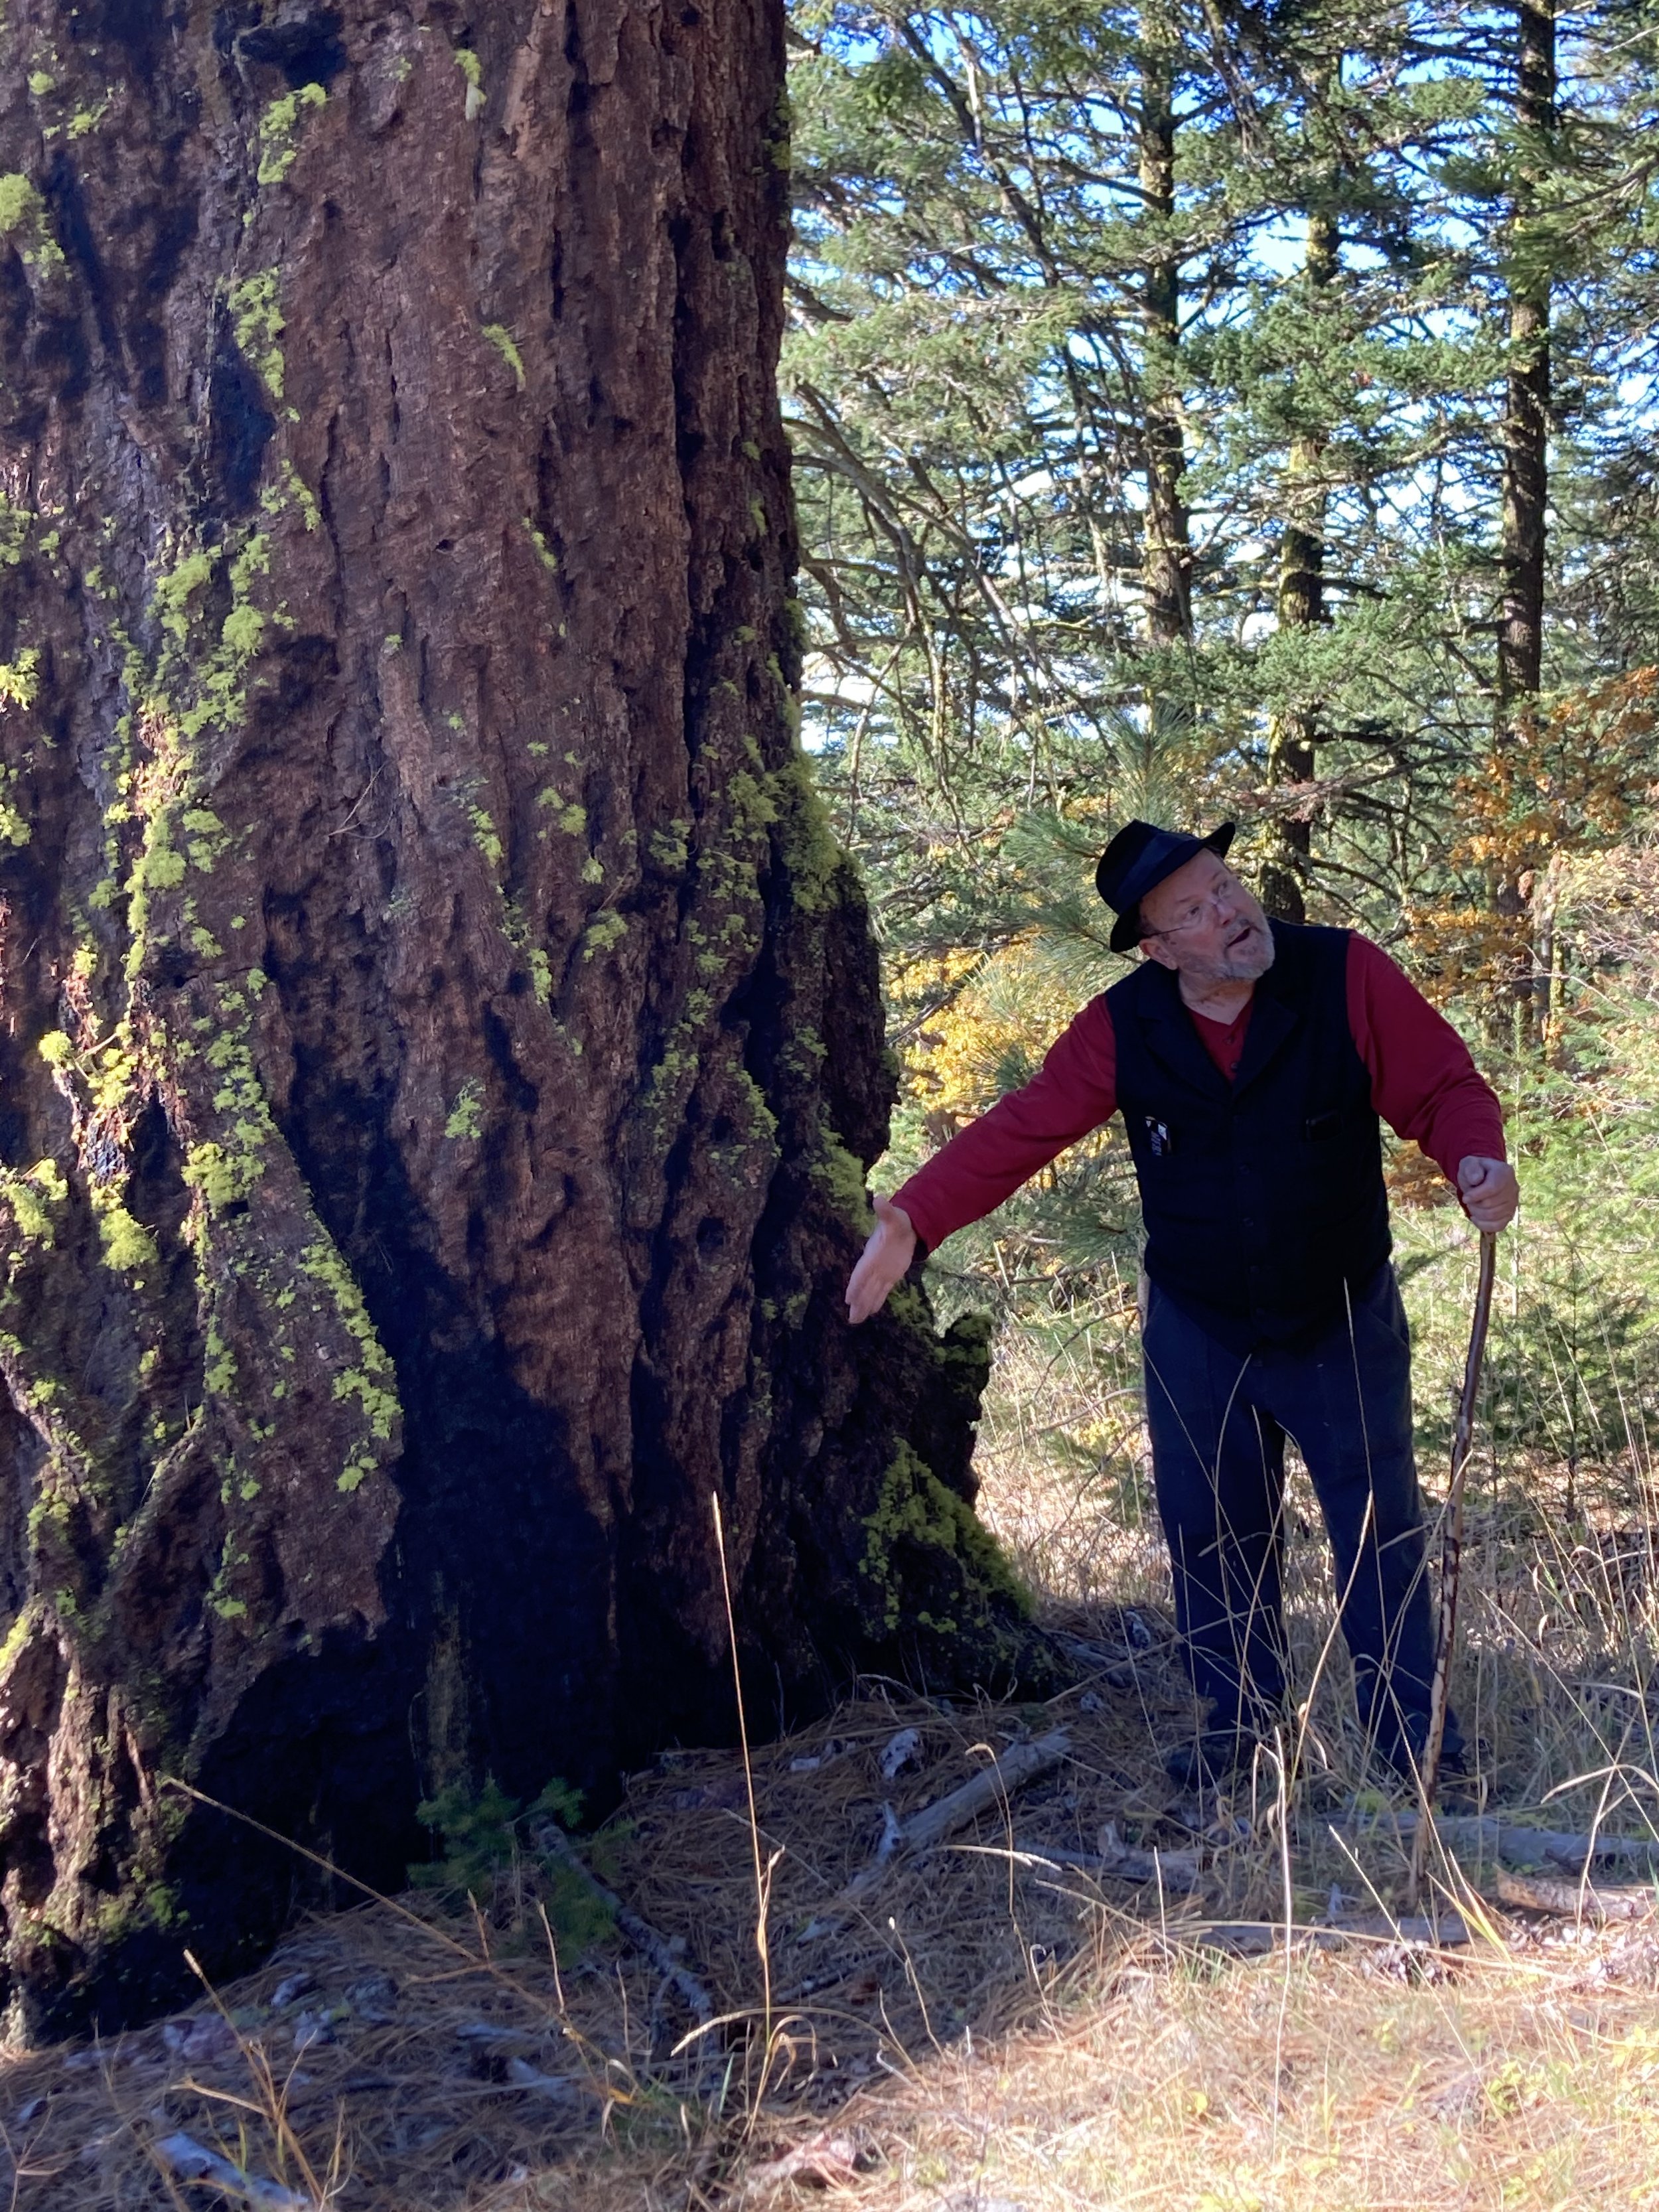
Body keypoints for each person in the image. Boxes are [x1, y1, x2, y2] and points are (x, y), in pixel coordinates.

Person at [845, 820, 1519, 1791]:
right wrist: (915, 1215)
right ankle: (1236, 1738)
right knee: (1210, 1535)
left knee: (1379, 1531)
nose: (1232, 912)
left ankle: (1416, 1752)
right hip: (1199, 1327)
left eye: (1227, 885)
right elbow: (1023, 1127)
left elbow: (1443, 1085)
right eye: (1195, 910)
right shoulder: (1125, 1026)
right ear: (1159, 950)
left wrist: (1475, 1158)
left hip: (1341, 1312)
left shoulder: (1345, 975)